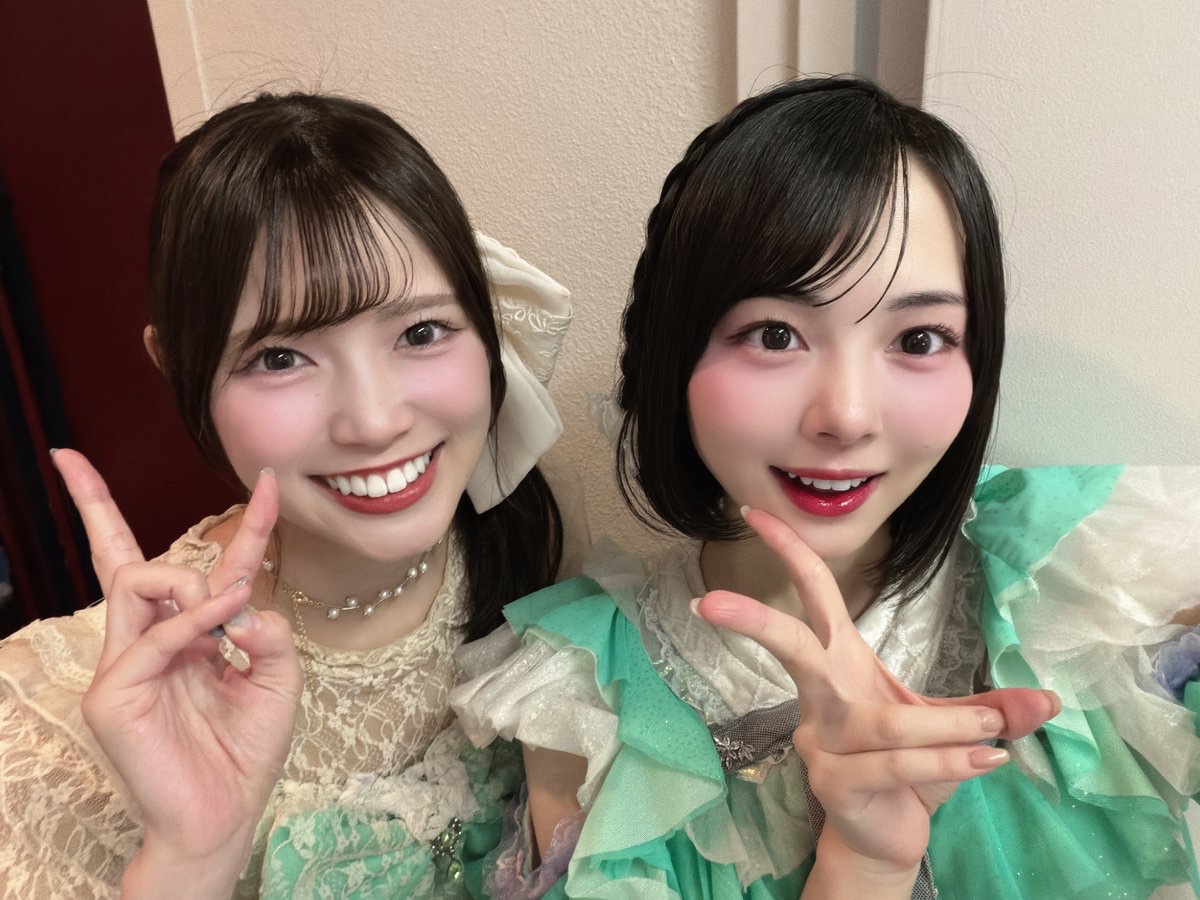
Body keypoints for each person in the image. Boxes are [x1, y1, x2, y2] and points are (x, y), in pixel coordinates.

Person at [452, 75, 1200, 898]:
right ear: (675, 351)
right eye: (775, 335)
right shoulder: (582, 704)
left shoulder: (1086, 582)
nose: (846, 416)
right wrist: (865, 865)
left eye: (919, 338)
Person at [0, 92, 575, 898]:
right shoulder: (48, 725)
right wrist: (191, 857)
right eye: (279, 357)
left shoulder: (530, 542)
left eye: (420, 332)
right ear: (179, 369)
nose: (375, 422)